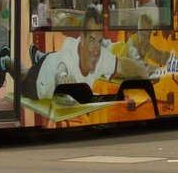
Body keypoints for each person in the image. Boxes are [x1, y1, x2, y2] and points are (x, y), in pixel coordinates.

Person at [10, 5, 149, 102]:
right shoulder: (70, 49)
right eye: (92, 40)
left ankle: (38, 55)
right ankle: (5, 60)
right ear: (82, 38)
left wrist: (144, 71)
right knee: (21, 73)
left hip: (53, 57)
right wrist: (64, 80)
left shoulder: (100, 54)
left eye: (99, 42)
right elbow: (61, 70)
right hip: (39, 78)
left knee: (49, 57)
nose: (96, 50)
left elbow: (123, 66)